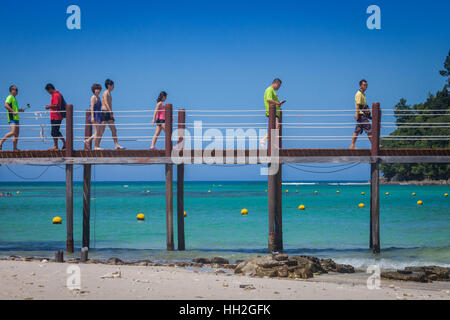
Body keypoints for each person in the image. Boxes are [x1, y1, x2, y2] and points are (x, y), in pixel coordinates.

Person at [98, 79, 124, 150]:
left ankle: (117, 145)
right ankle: (96, 145)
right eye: (113, 85)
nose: (113, 87)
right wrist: (110, 111)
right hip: (105, 112)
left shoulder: (109, 93)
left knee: (114, 129)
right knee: (101, 130)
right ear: (109, 85)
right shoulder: (105, 92)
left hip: (108, 113)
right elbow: (106, 103)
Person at [260, 78, 285, 148]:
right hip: (272, 112)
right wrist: (278, 103)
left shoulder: (272, 91)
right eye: (279, 85)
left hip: (275, 112)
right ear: (275, 83)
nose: (279, 87)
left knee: (275, 127)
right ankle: (270, 142)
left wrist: (279, 104)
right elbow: (268, 99)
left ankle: (265, 140)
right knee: (276, 127)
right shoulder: (270, 89)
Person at [350, 79, 372, 149]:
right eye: (364, 85)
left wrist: (368, 113)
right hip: (361, 115)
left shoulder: (362, 94)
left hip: (362, 115)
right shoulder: (359, 94)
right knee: (369, 129)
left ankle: (352, 145)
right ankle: (374, 145)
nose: (366, 86)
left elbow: (363, 106)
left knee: (357, 130)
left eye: (366, 85)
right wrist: (357, 114)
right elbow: (358, 105)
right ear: (360, 86)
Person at [0, 85, 24, 151]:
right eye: (15, 89)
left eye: (17, 90)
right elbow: (6, 105)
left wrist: (19, 110)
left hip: (16, 118)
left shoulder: (14, 98)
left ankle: (15, 148)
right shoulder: (10, 97)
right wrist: (13, 111)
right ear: (11, 90)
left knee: (16, 134)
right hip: (12, 117)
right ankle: (1, 142)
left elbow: (14, 109)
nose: (16, 91)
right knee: (13, 132)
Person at [45, 84, 67, 150]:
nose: (48, 93)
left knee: (54, 131)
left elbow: (56, 105)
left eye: (48, 91)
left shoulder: (55, 95)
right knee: (56, 131)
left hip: (56, 116)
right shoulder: (58, 94)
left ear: (50, 89)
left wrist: (48, 106)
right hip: (57, 116)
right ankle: (63, 144)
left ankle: (56, 146)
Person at [85, 84, 105, 150]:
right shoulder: (93, 97)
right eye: (96, 89)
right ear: (94, 90)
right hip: (95, 115)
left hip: (99, 115)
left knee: (99, 132)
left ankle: (88, 141)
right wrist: (92, 117)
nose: (98, 91)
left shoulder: (99, 97)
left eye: (99, 89)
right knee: (97, 131)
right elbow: (92, 107)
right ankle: (96, 146)